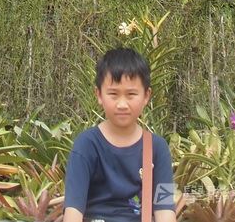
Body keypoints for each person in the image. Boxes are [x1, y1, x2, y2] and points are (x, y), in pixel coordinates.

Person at [63, 48, 176, 222]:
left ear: (146, 96)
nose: (122, 104)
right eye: (113, 94)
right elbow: (73, 211)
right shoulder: (86, 145)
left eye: (131, 94)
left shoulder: (157, 148)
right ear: (99, 95)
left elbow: (165, 209)